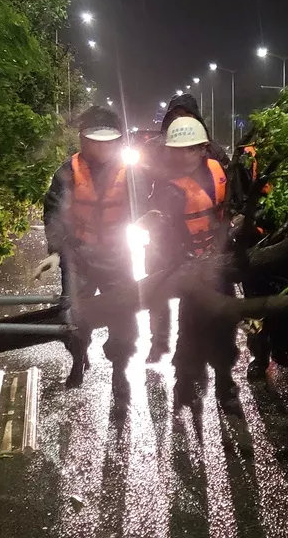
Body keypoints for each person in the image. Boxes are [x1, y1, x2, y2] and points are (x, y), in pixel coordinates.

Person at [36, 106, 144, 401]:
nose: (102, 148)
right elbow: (54, 211)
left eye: (108, 142)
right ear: (83, 140)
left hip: (116, 256)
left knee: (122, 318)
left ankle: (119, 371)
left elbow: (147, 206)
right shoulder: (67, 172)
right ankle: (78, 358)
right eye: (95, 141)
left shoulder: (131, 173)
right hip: (78, 256)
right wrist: (55, 251)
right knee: (73, 317)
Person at [147, 116, 238, 409]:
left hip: (220, 262)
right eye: (177, 150)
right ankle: (185, 384)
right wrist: (181, 261)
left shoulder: (218, 171)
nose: (183, 156)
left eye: (190, 149)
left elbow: (231, 207)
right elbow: (163, 235)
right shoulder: (166, 187)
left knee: (225, 325)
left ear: (202, 149)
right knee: (191, 328)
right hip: (190, 269)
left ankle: (225, 382)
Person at [159, 93, 229, 171]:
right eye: (177, 114)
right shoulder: (154, 148)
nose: (182, 119)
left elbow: (228, 173)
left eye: (187, 115)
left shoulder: (213, 150)